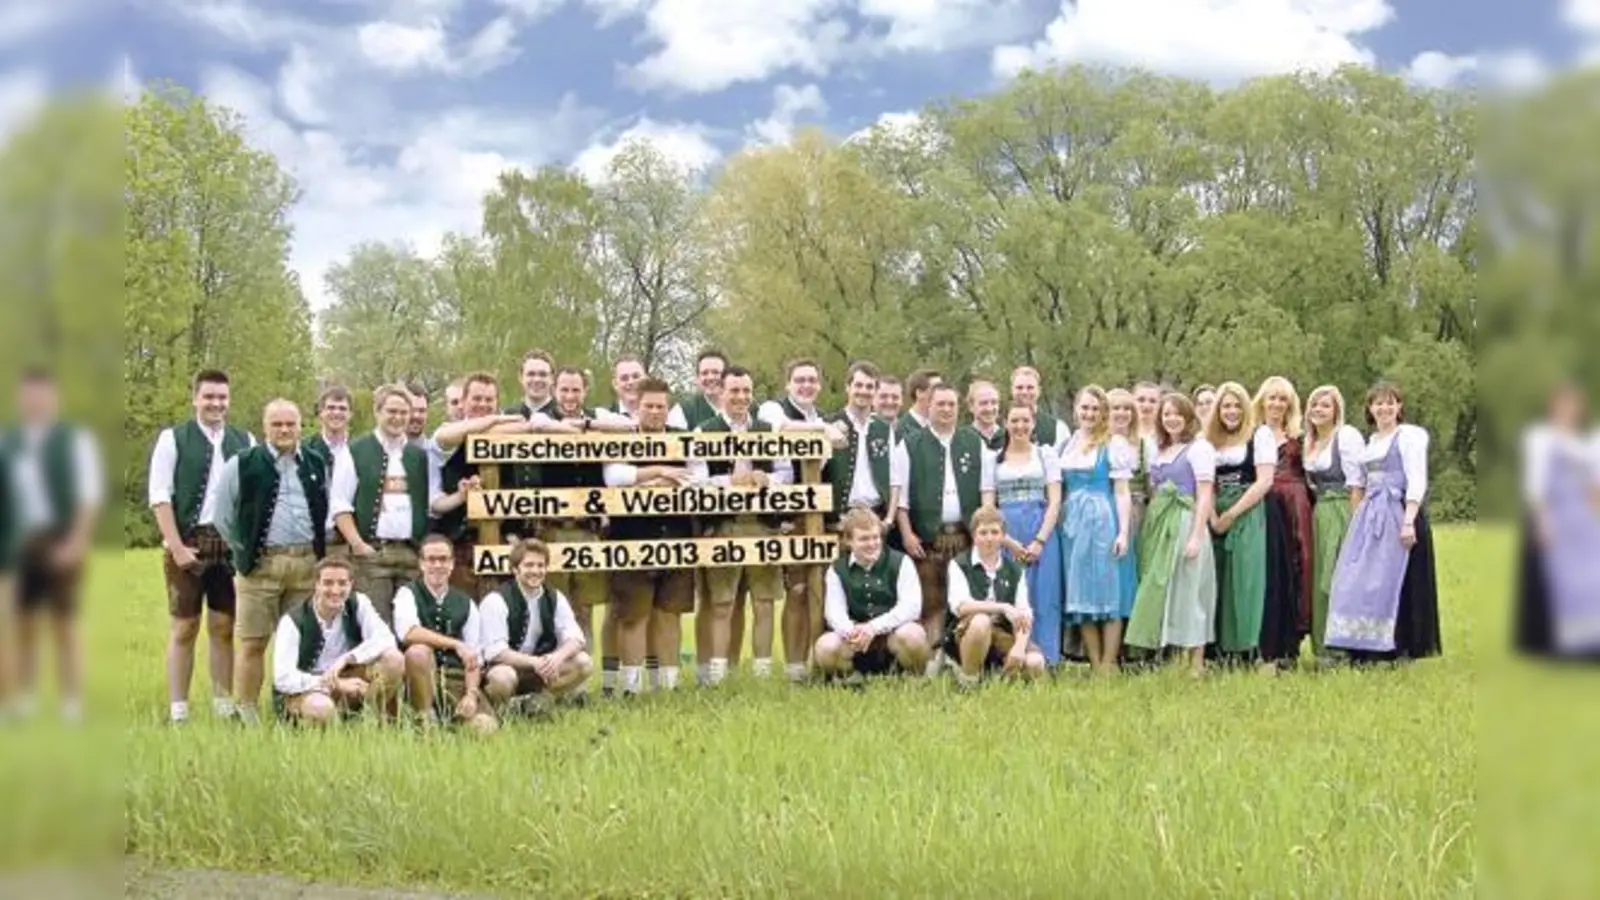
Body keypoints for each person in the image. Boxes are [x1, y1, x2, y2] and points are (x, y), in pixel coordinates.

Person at [213, 398, 330, 723]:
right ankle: (247, 713)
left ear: (300, 426)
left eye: (290, 424)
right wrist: (245, 551)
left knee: (301, 644)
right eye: (277, 424)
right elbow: (222, 517)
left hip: (306, 565)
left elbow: (325, 510)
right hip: (259, 567)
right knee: (253, 642)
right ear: (265, 427)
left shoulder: (316, 462)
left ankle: (292, 712)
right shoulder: (242, 463)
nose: (284, 430)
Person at [147, 369, 254, 723]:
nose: (216, 403)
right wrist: (176, 546)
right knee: (184, 627)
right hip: (187, 541)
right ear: (195, 398)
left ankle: (223, 707)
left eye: (222, 397)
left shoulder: (245, 440)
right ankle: (179, 711)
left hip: (229, 545)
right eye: (209, 396)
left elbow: (252, 497)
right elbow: (160, 496)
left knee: (223, 626)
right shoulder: (173, 439)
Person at [1, 369, 104, 721]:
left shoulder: (75, 440)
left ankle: (71, 701)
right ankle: (25, 697)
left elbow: (88, 496)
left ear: (54, 398)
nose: (36, 402)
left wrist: (76, 542)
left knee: (65, 623)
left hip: (61, 539)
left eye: (42, 395)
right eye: (29, 396)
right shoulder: (8, 441)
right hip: (20, 543)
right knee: (24, 623)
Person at [1325, 382, 1442, 663]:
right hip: (1371, 515)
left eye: (1391, 402)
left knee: (1398, 581)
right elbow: (1361, 483)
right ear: (1370, 408)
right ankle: (1364, 644)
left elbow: (1416, 479)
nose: (1384, 408)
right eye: (1378, 403)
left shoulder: (1409, 436)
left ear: (1399, 407)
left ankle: (1400, 646)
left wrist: (1409, 521)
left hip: (1400, 512)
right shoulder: (1372, 442)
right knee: (1363, 580)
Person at [690, 366, 792, 685]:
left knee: (764, 602)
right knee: (722, 602)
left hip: (763, 524)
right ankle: (719, 674)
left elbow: (787, 473)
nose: (741, 397)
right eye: (734, 390)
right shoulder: (705, 431)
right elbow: (696, 479)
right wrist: (728, 482)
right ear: (721, 392)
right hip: (725, 524)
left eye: (747, 391)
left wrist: (767, 478)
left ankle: (762, 674)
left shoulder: (767, 430)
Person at [604, 377, 701, 693]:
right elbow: (614, 476)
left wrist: (652, 483)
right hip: (631, 536)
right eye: (649, 406)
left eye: (661, 406)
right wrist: (660, 472)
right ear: (637, 405)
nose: (655, 411)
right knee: (633, 615)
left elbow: (698, 476)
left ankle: (667, 686)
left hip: (676, 535)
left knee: (669, 614)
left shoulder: (683, 438)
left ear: (668, 408)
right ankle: (631, 687)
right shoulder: (623, 437)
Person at [894, 383, 997, 671]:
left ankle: (963, 657)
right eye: (940, 404)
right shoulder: (910, 444)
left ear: (959, 407)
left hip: (966, 535)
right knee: (931, 600)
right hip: (927, 536)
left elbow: (986, 490)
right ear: (928, 406)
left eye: (951, 404)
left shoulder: (974, 442)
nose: (946, 409)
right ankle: (932, 659)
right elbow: (900, 497)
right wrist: (907, 533)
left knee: (965, 599)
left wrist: (985, 528)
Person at [329, 385, 439, 624]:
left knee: (411, 626)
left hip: (411, 554)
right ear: (377, 412)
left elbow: (433, 503)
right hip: (373, 554)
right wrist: (358, 545)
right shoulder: (355, 451)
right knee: (377, 627)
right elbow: (340, 505)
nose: (398, 417)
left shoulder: (419, 455)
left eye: (403, 412)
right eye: (391, 411)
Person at [1125, 393, 1217, 676]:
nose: (1172, 419)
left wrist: (1196, 535)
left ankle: (1197, 662)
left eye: (1177, 414)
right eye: (1166, 414)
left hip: (1185, 521)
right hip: (1159, 524)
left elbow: (1204, 494)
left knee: (1191, 588)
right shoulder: (1159, 448)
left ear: (1188, 417)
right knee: (1161, 588)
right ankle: (1164, 653)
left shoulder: (1199, 448)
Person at [1516, 383, 1600, 660]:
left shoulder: (1585, 442)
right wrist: (1543, 521)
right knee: (1562, 579)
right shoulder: (1541, 438)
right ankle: (1564, 640)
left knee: (1591, 578)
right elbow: (1535, 485)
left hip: (1583, 518)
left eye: (1572, 406)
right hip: (1554, 513)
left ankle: (1590, 637)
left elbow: (1593, 484)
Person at [269, 557, 404, 725]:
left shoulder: (358, 602)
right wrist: (335, 684)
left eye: (342, 583)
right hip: (307, 689)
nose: (335, 590)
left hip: (347, 676)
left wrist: (348, 658)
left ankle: (368, 720)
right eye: (328, 583)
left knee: (394, 659)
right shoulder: (292, 621)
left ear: (351, 584)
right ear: (316, 585)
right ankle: (328, 729)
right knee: (321, 707)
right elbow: (283, 678)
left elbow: (385, 638)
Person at [1058, 386, 1135, 676]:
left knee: (1109, 590)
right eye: (1085, 407)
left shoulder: (1113, 444)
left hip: (1103, 520)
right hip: (1073, 525)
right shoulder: (1068, 444)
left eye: (1095, 408)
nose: (1089, 414)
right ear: (1076, 410)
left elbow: (1122, 491)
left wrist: (1123, 532)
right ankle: (1095, 662)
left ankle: (1109, 662)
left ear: (1103, 412)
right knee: (1081, 592)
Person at [1205, 382, 1280, 670]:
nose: (1232, 411)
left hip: (1248, 510)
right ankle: (1221, 651)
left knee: (1247, 578)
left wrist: (1232, 514)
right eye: (1226, 406)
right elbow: (1206, 482)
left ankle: (1249, 648)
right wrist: (1213, 516)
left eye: (1237, 405)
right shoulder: (1209, 440)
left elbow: (1265, 481)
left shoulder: (1259, 435)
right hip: (1216, 510)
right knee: (1219, 578)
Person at [393, 534, 496, 732]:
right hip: (418, 680)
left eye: (443, 559)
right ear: (421, 564)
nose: (437, 565)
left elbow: (474, 658)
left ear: (452, 563)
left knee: (485, 727)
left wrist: (471, 694)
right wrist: (455, 644)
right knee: (418, 652)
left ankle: (454, 726)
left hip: (455, 680)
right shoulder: (407, 593)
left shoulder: (466, 603)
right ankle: (424, 720)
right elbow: (408, 632)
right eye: (431, 559)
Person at [814, 508, 930, 680]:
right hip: (855, 640)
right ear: (848, 541)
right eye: (864, 539)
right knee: (826, 646)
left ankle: (911, 677)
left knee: (913, 635)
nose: (872, 544)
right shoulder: (837, 569)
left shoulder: (901, 562)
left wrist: (873, 627)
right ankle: (851, 678)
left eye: (875, 537)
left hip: (892, 636)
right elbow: (834, 613)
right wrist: (853, 632)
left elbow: (911, 607)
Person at [480, 539, 593, 713]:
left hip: (541, 668)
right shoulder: (496, 600)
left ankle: (538, 701)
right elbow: (496, 652)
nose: (535, 571)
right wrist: (535, 662)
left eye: (540, 566)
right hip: (505, 667)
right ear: (515, 569)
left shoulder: (554, 597)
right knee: (502, 678)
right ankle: (505, 709)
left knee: (584, 662)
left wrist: (556, 658)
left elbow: (576, 638)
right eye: (529, 565)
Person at [990, 404, 1064, 665]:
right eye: (1014, 420)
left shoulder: (1045, 455)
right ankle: (1011, 658)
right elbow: (989, 507)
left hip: (1040, 528)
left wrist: (1040, 540)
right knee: (1010, 596)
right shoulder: (993, 459)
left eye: (1025, 420)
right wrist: (1007, 542)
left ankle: (1046, 659)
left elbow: (1055, 500)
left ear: (1033, 423)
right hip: (1005, 532)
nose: (1020, 426)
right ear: (1005, 423)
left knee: (1044, 596)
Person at [944, 507, 1045, 686]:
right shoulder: (959, 564)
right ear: (974, 536)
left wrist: (1019, 647)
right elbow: (961, 607)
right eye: (983, 533)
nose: (989, 538)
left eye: (994, 532)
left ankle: (1002, 681)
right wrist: (1002, 607)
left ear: (1003, 536)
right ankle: (969, 681)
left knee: (1035, 662)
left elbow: (1024, 612)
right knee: (981, 622)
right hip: (966, 633)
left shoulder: (1014, 570)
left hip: (1002, 632)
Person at [1302, 385, 1365, 661]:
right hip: (1319, 514)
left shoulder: (1346, 436)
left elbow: (1357, 484)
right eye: (1315, 404)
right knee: (1319, 581)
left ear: (1337, 411)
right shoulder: (1310, 441)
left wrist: (1356, 524)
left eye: (1325, 405)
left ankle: (1348, 647)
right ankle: (1325, 649)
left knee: (1339, 579)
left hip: (1341, 510)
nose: (1318, 409)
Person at [1253, 376, 1314, 665]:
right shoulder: (1251, 434)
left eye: (1282, 399)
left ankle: (1292, 638)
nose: (1276, 404)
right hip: (1263, 502)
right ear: (1262, 401)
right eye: (1272, 398)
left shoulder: (1299, 438)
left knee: (1299, 565)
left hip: (1294, 504)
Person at [966, 380, 1004, 450]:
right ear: (971, 406)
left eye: (994, 402)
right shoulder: (962, 440)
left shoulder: (1010, 439)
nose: (989, 409)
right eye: (983, 403)